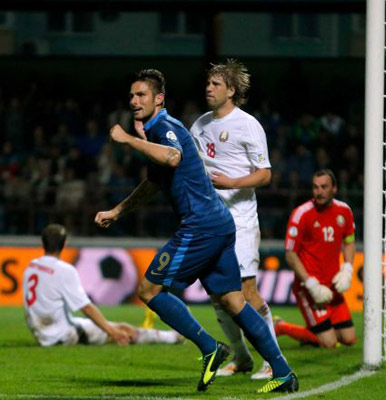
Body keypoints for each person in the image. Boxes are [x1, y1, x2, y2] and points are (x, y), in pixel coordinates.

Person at [94, 69, 298, 393]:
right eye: (131, 95)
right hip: (219, 222)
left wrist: (129, 140)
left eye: (141, 95)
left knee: (149, 290)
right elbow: (153, 182)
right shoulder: (165, 129)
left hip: (201, 226)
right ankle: (283, 372)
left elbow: (172, 157)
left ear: (159, 99)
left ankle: (209, 347)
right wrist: (118, 211)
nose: (134, 101)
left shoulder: (165, 127)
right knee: (233, 301)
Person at [189, 59, 275, 380]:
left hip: (240, 220)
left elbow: (265, 174)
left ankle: (272, 359)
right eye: (208, 83)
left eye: (216, 84)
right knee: (217, 294)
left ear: (232, 91)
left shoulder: (248, 125)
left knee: (246, 291)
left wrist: (232, 183)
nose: (208, 89)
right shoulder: (199, 126)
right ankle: (241, 357)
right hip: (210, 222)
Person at [23, 224, 183, 347]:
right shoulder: (64, 270)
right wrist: (112, 333)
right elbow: (86, 308)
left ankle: (170, 336)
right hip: (61, 334)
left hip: (41, 331)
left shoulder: (32, 266)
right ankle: (172, 337)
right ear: (64, 244)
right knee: (124, 330)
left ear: (43, 243)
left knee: (118, 326)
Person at [276, 169, 357, 348]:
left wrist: (348, 268)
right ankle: (281, 327)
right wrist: (310, 284)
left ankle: (317, 329)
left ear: (334, 188)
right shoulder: (301, 214)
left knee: (349, 339)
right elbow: (290, 254)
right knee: (329, 343)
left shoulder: (344, 211)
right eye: (315, 187)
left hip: (332, 286)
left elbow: (349, 241)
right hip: (308, 287)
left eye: (324, 187)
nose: (319, 192)